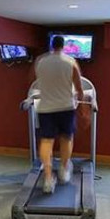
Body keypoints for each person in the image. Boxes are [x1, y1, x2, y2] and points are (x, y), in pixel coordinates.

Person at [35, 35, 84, 193]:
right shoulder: (70, 62)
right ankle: (63, 170)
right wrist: (82, 106)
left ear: (51, 45)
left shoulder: (41, 62)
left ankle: (48, 179)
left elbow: (35, 81)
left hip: (46, 108)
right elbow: (79, 89)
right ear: (63, 46)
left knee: (46, 141)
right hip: (65, 107)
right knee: (66, 138)